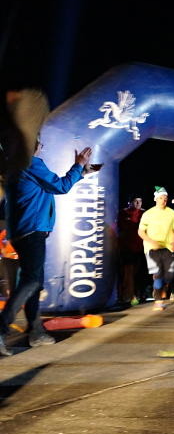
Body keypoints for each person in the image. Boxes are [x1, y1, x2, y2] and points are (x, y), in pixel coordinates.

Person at [0, 135, 95, 356]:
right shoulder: (31, 163)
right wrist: (78, 164)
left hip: (23, 231)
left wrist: (80, 173)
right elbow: (60, 187)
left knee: (34, 282)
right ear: (33, 145)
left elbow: (48, 187)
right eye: (40, 143)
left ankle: (36, 332)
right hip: (33, 229)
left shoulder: (17, 166)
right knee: (32, 281)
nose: (42, 147)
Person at [138, 187, 174, 311]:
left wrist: (173, 241)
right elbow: (140, 231)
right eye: (161, 198)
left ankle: (160, 288)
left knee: (170, 275)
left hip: (167, 247)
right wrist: (151, 241)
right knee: (158, 274)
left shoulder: (171, 213)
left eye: (165, 198)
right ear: (156, 199)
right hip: (152, 248)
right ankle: (158, 301)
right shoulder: (148, 213)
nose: (163, 200)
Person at [117, 196, 147, 305]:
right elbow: (121, 227)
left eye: (140, 201)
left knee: (140, 273)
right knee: (127, 273)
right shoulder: (123, 213)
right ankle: (127, 296)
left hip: (141, 248)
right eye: (136, 201)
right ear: (130, 202)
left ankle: (140, 294)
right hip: (127, 248)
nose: (139, 203)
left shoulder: (145, 214)